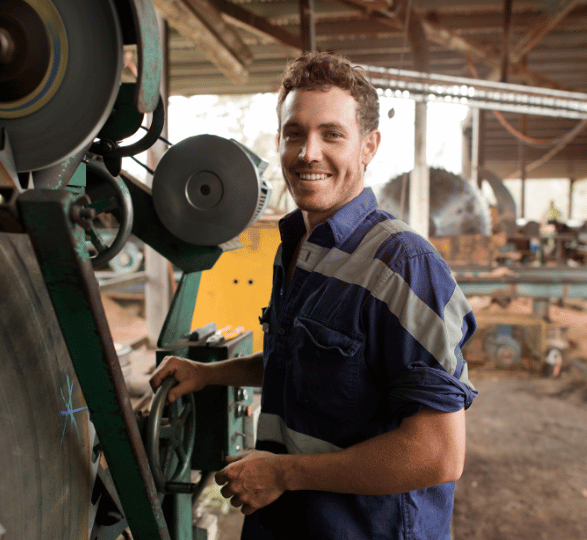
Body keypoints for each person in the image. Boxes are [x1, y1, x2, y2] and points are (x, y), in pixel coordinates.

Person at [151, 51, 478, 540]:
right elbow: (304, 359)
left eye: (331, 134)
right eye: (294, 133)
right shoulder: (297, 249)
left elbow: (437, 454)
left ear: (368, 146)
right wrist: (208, 374)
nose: (308, 153)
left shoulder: (405, 266)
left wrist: (283, 473)